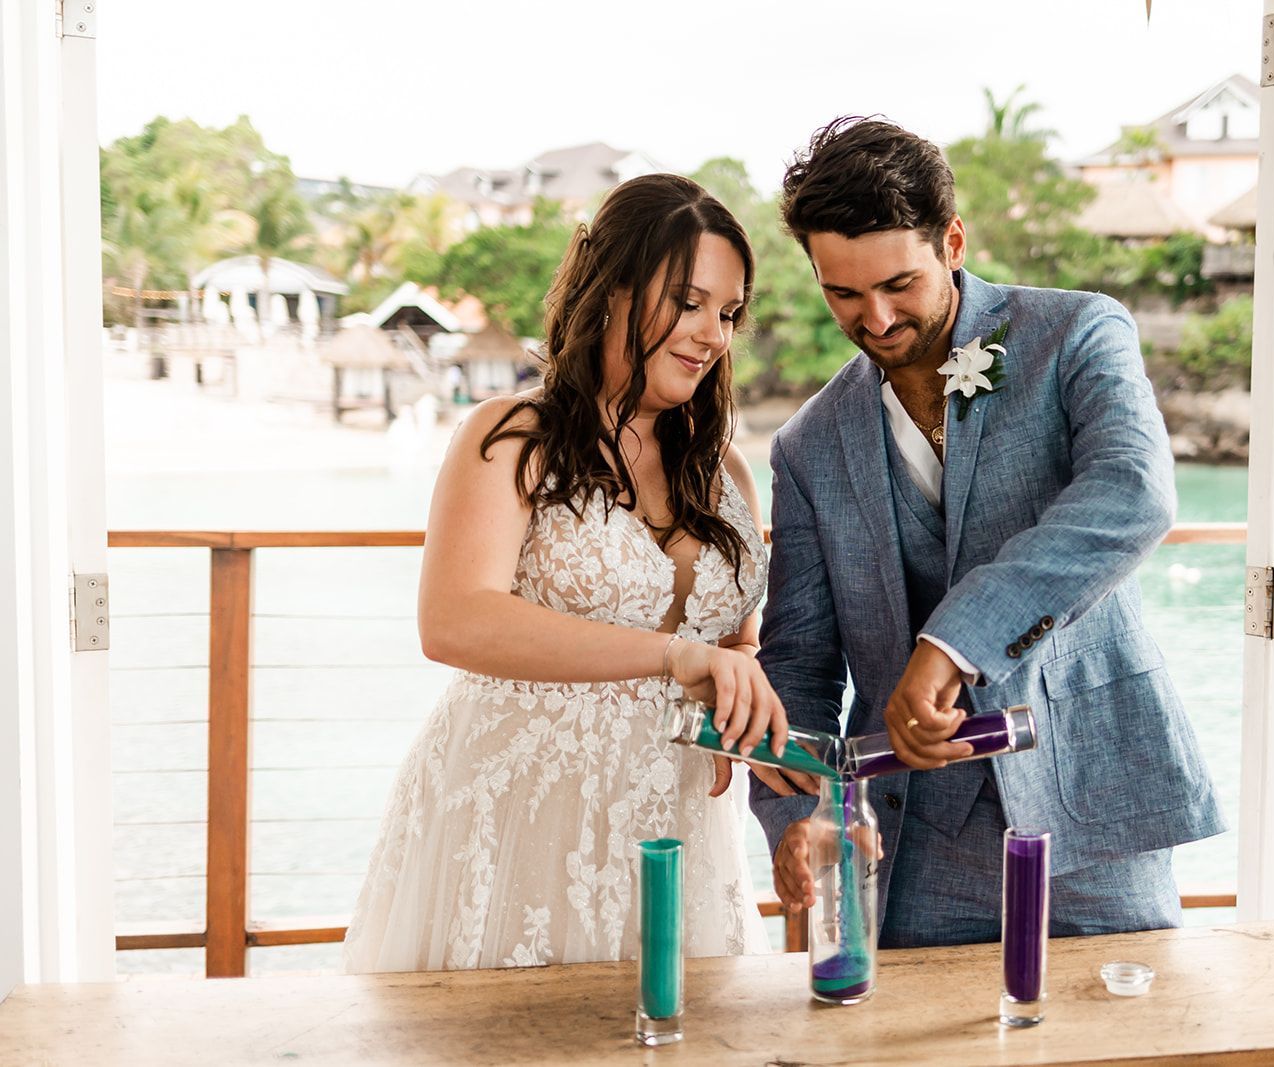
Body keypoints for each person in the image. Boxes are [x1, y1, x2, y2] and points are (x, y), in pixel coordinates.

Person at [753, 118, 1226, 947]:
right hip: (915, 841)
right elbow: (798, 659)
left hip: (1095, 814)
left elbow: (1134, 494)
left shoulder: (1078, 334)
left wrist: (954, 642)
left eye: (900, 283)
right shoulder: (807, 447)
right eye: (844, 294)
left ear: (954, 241)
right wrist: (801, 809)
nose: (877, 316)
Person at [345, 174, 789, 972]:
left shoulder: (724, 470)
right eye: (687, 302)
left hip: (678, 817)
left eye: (727, 313)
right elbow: (454, 621)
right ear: (612, 289)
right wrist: (670, 656)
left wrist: (742, 697)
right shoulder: (514, 435)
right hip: (521, 808)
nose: (712, 334)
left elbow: (738, 643)